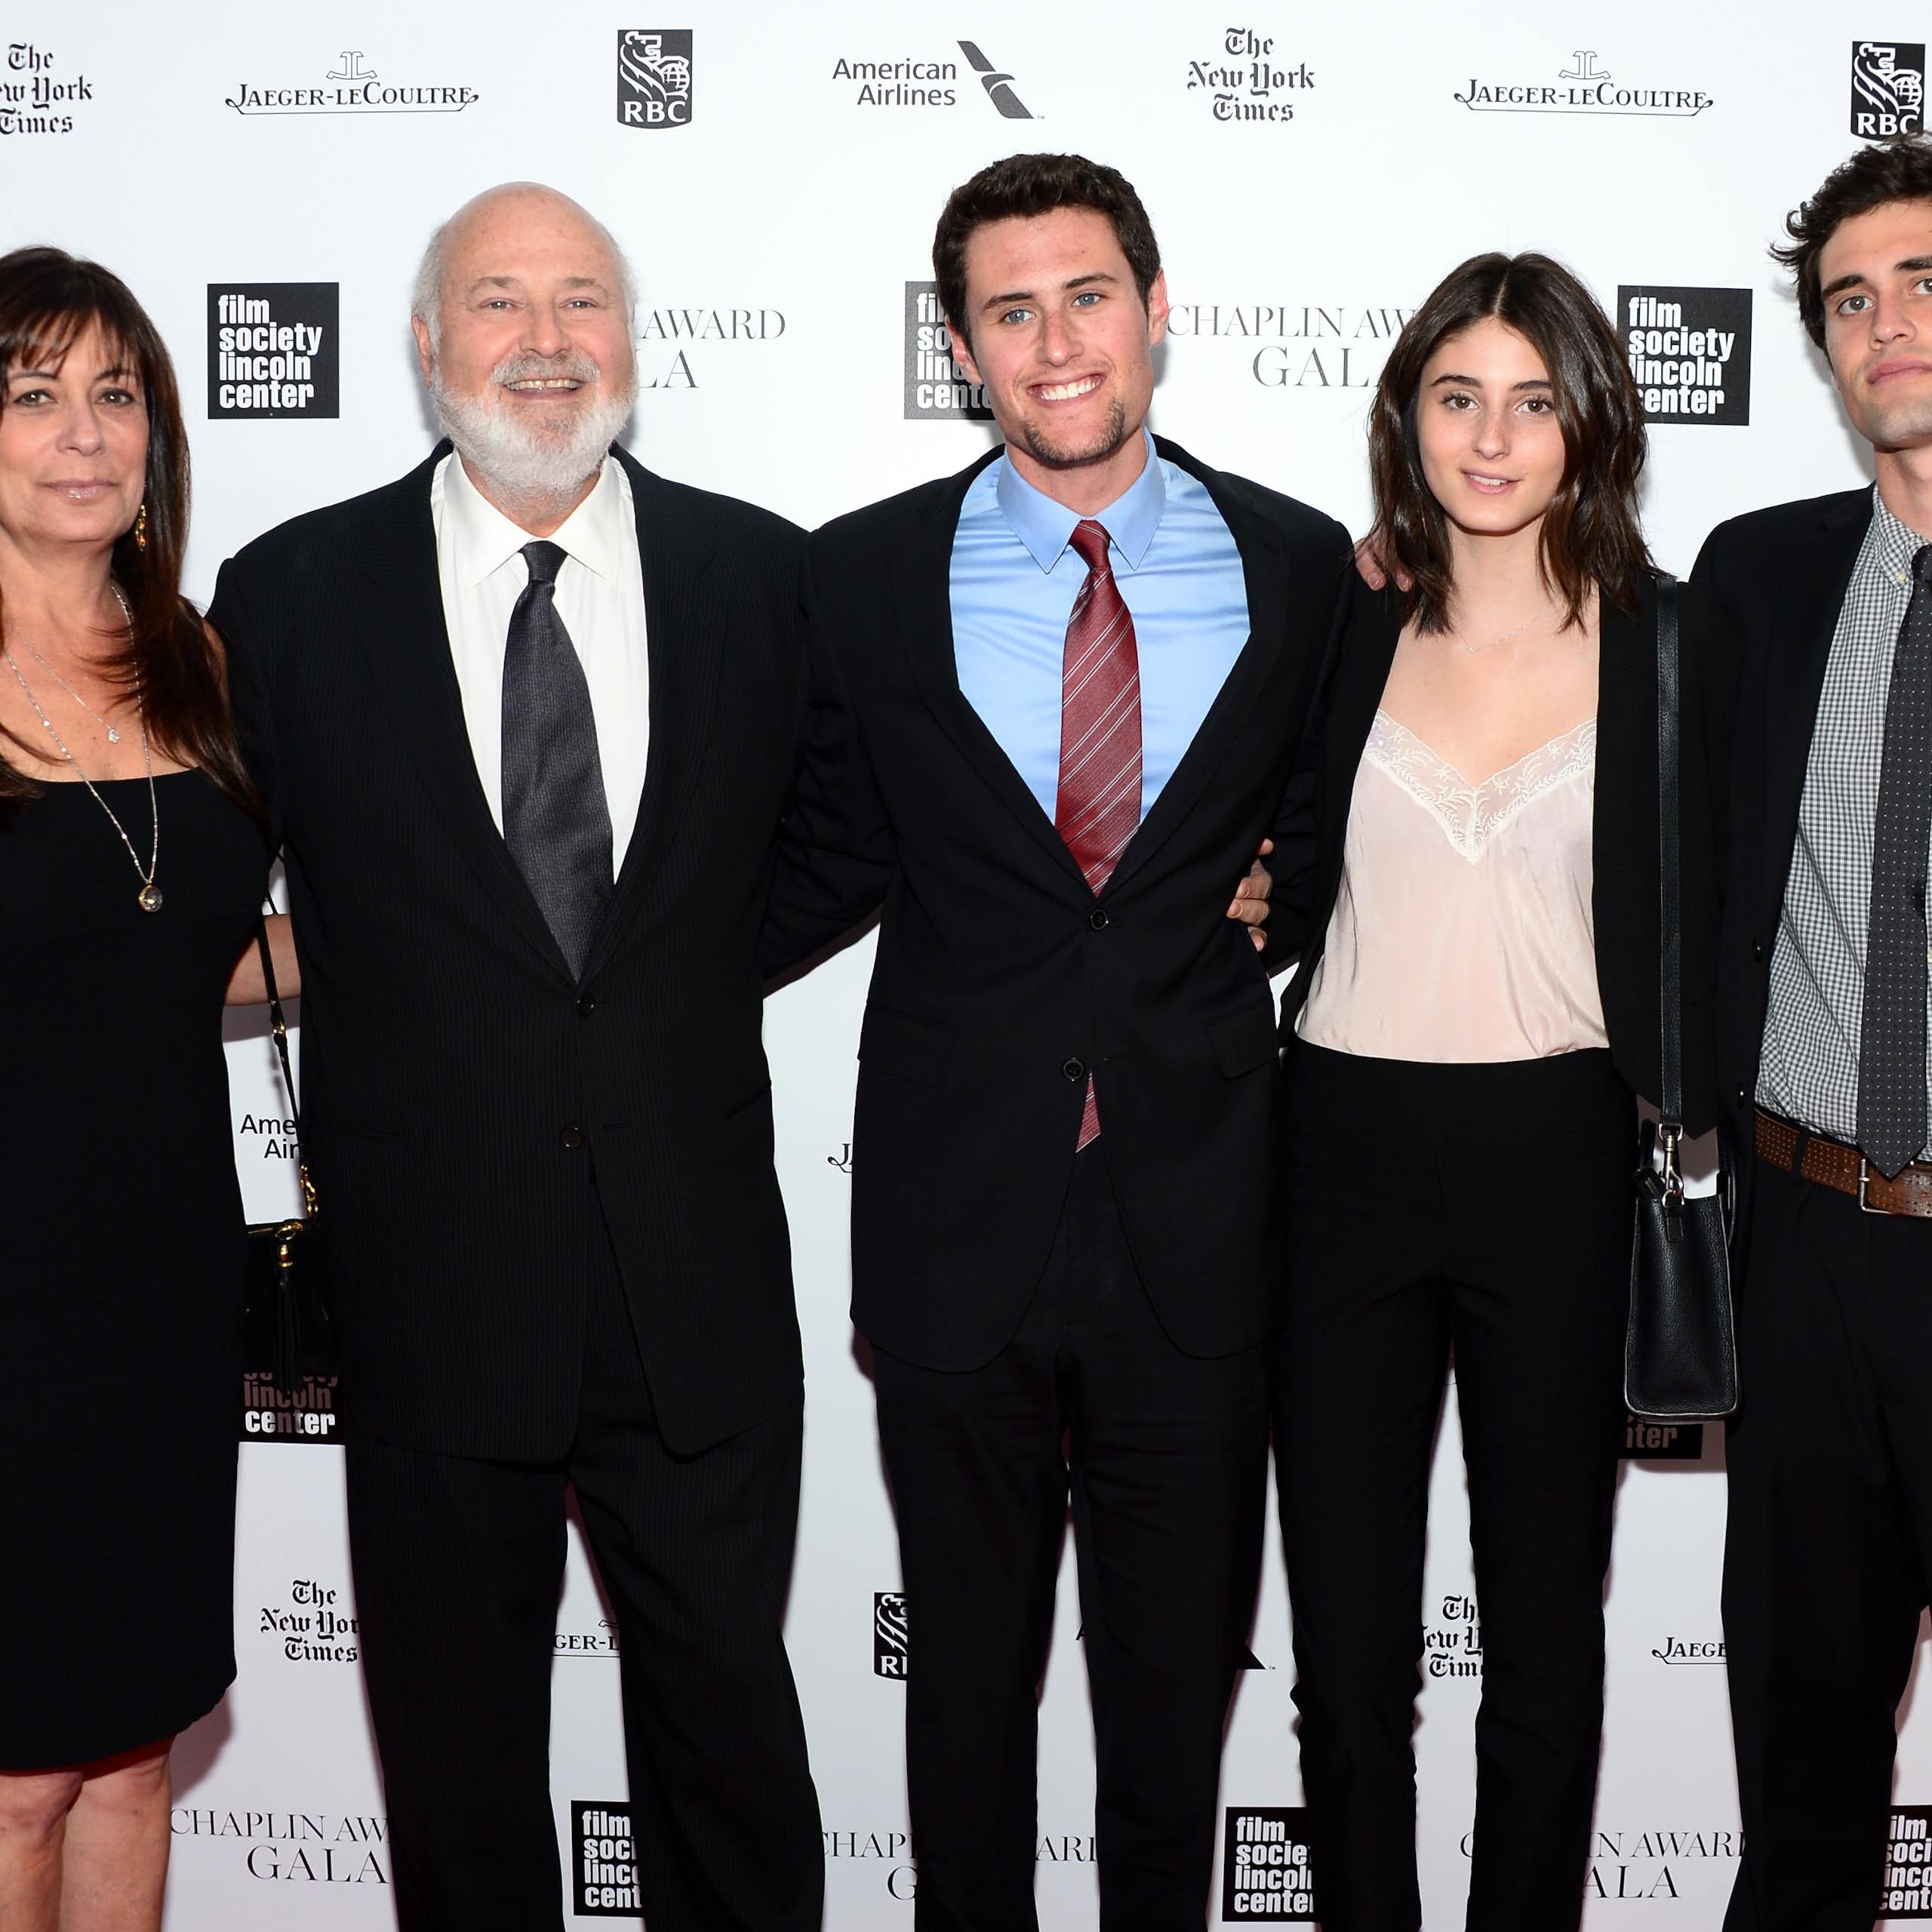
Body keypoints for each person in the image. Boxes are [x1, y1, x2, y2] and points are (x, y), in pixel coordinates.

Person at [206, 183, 823, 1931]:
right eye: (497, 301)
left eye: (581, 301)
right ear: (425, 345)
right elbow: (199, 875)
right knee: (461, 1776)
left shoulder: (759, 577)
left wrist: (667, 976)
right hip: (427, 1275)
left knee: (728, 1748)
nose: (544, 342)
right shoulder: (293, 594)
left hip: (689, 1277)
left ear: (633, 340)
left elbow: (854, 829)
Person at [762, 151, 1349, 1929]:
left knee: (1173, 1715)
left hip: (1200, 1225)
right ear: (962, 347)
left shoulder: (1302, 564)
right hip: (953, 1231)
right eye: (1009, 311)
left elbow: (1336, 834)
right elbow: (801, 854)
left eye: (1085, 295)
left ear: (1155, 311)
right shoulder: (854, 581)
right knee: (964, 1710)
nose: (1056, 340)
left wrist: (1291, 897)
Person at [1278, 252, 1738, 1931]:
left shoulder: (1670, 639)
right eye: (1456, 396)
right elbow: (1241, 852)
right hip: (1331, 1154)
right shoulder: (1337, 622)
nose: (1489, 437)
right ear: (1408, 412)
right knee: (1342, 1652)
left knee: (1541, 1645)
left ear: (1585, 419)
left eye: (1530, 399)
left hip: (1559, 1152)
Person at [0, 248, 283, 1929]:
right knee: (21, 1765)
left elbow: (206, 948)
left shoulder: (201, 663)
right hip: (7, 1296)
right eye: (32, 394)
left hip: (168, 1288)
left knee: (129, 1753)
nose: (82, 433)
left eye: (116, 394)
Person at [1698, 134, 1932, 1930]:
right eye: (1848, 299)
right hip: (1804, 1242)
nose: (1884, 324)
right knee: (1798, 1770)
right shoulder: (1761, 575)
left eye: (1921, 280)